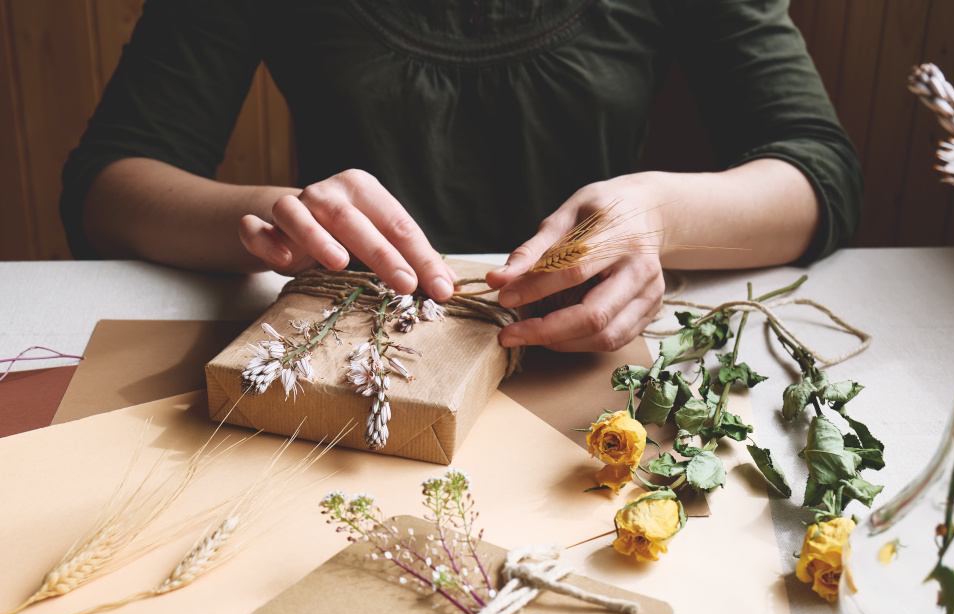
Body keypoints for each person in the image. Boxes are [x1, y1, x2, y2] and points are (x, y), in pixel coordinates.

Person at [61, 0, 862, 353]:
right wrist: (284, 218)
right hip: (351, 349)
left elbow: (816, 172)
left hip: (596, 366)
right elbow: (106, 186)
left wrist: (657, 215)